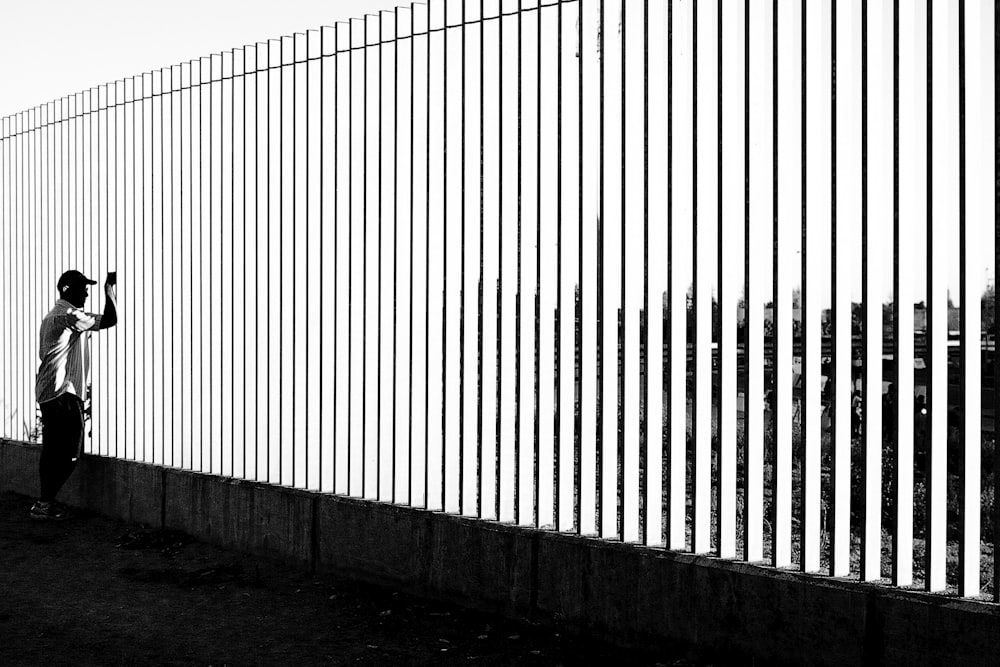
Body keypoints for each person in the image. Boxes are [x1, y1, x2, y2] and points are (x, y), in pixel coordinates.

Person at [31, 269, 117, 520]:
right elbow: (110, 320)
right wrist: (109, 289)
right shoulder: (69, 315)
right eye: (84, 288)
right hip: (63, 393)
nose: (87, 292)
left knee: (52, 451)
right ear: (70, 290)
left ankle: (43, 504)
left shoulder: (52, 316)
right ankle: (45, 502)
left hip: (49, 392)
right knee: (71, 452)